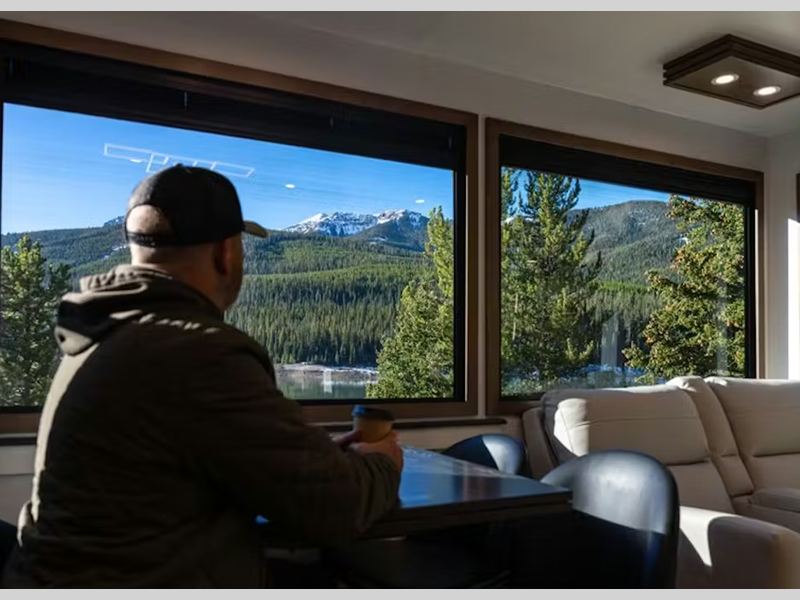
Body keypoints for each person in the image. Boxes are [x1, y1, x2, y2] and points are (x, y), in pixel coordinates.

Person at [2, 166, 403, 588]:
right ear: (225, 254)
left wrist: (303, 457)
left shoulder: (101, 331)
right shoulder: (198, 352)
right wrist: (383, 461)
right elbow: (334, 507)